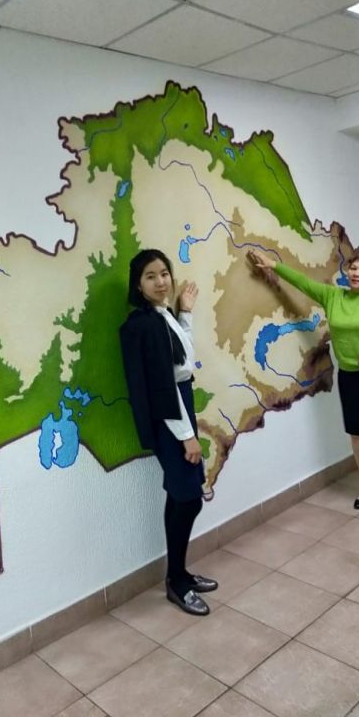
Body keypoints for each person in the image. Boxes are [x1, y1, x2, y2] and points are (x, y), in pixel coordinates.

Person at [247, 247, 359, 514]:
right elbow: (302, 282)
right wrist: (273, 265)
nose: (356, 273)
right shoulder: (333, 296)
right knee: (358, 434)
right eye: (353, 268)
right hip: (349, 377)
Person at [120, 249, 218, 615]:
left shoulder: (163, 317)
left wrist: (185, 313)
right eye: (150, 276)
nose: (161, 281)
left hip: (180, 404)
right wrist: (186, 435)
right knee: (189, 497)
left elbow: (183, 362)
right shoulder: (142, 325)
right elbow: (162, 385)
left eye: (164, 273)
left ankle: (179, 573)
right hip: (169, 416)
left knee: (182, 496)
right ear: (138, 285)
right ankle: (176, 582)